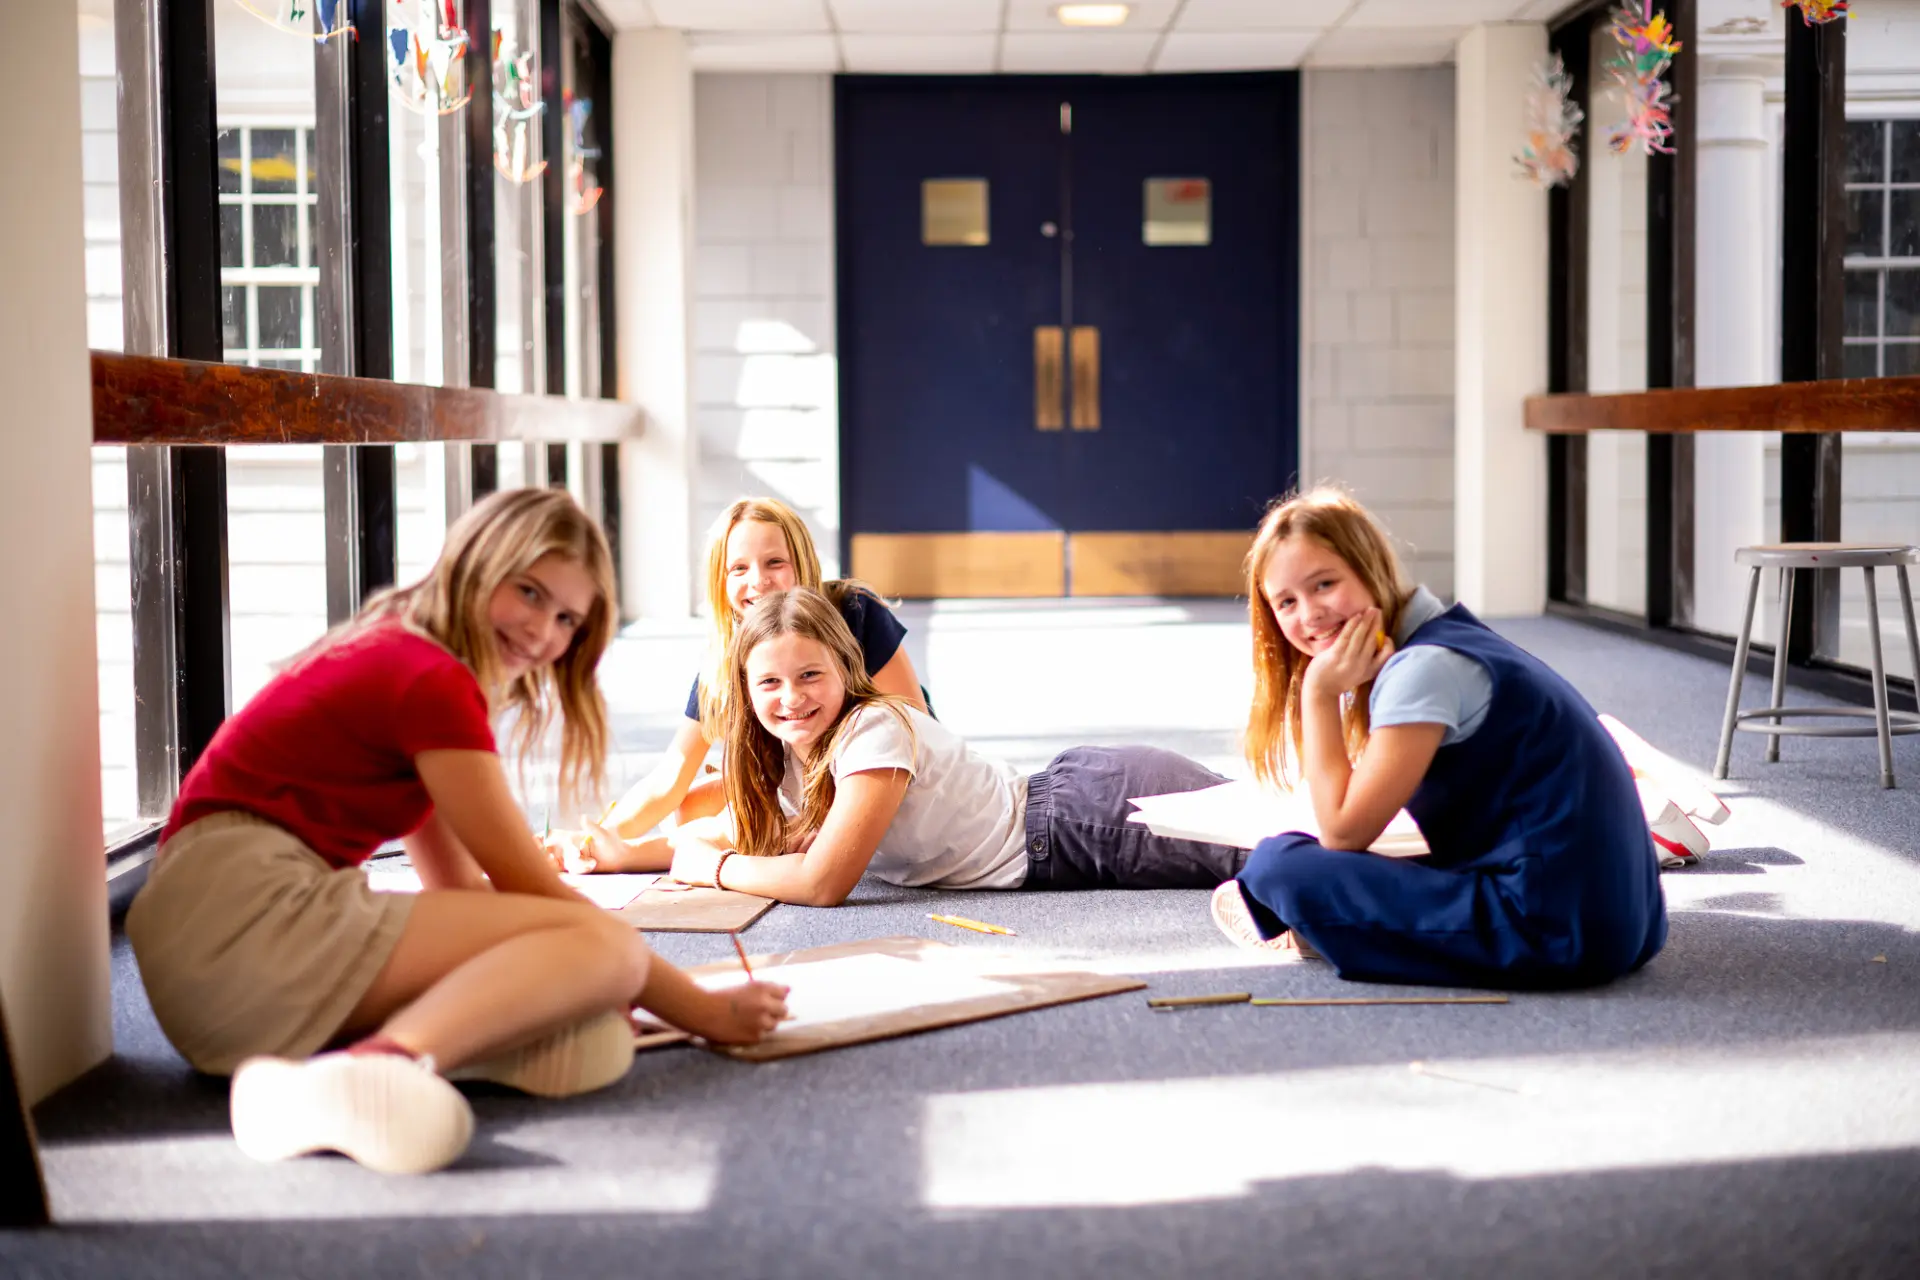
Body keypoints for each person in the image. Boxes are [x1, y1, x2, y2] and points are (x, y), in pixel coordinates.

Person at [124, 488, 788, 1176]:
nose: (543, 632)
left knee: (595, 1040)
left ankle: (312, 1083)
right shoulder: (428, 678)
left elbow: (456, 888)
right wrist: (698, 1011)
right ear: (479, 560)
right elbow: (525, 886)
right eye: (529, 593)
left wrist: (575, 983)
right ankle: (378, 1066)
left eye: (566, 619)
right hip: (239, 919)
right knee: (609, 948)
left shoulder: (406, 649)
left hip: (215, 975)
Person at [1212, 487, 1667, 989]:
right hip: (1624, 923)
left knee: (1279, 865)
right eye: (1287, 602)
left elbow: (1343, 833)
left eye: (1324, 584)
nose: (1309, 615)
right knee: (1370, 863)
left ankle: (1321, 930)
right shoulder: (1449, 637)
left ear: (1371, 569)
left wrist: (1318, 694)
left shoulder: (1423, 670)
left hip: (1552, 930)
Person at [582, 587, 1242, 901]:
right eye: (771, 683)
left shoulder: (874, 731)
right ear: (746, 691)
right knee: (1289, 836)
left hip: (1086, 818)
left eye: (811, 675)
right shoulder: (787, 755)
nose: (792, 697)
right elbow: (738, 831)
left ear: (847, 668)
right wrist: (623, 853)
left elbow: (822, 882)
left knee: (1287, 841)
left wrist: (712, 869)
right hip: (1073, 810)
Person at [552, 497, 928, 868]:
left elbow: (914, 726)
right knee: (691, 807)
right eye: (739, 569)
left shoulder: (853, 610)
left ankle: (805, 833)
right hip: (798, 775)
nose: (759, 582)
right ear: (721, 581)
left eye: (775, 563)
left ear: (802, 564)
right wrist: (593, 840)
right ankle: (614, 852)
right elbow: (670, 777)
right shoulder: (725, 658)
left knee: (738, 826)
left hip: (875, 769)